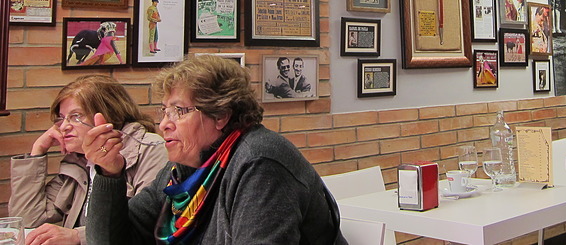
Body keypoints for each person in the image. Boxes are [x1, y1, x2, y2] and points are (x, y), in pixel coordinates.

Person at [83, 55, 345, 244]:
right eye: (164, 111)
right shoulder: (186, 165)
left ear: (220, 115)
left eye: (179, 111)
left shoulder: (260, 163)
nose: (164, 124)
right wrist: (110, 174)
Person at [9, 75, 167, 245]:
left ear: (109, 115)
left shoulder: (151, 149)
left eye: (76, 117)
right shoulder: (79, 159)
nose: (63, 127)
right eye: (61, 118)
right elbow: (26, 219)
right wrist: (37, 151)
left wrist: (77, 236)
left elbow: (148, 225)